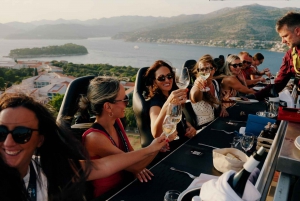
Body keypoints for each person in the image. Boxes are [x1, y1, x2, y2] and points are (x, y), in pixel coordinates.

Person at [0, 93, 167, 200]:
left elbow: (102, 165)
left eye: (21, 134)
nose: (8, 142)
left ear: (40, 140)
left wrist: (152, 148)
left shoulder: (42, 167)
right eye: (1, 131)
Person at [78, 77, 158, 198]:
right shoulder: (95, 138)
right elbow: (134, 165)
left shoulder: (116, 122)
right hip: (110, 195)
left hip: (125, 185)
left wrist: (139, 165)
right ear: (108, 107)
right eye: (124, 100)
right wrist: (156, 147)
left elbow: (130, 154)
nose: (127, 104)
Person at [144, 60, 197, 148]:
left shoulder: (172, 95)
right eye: (161, 78)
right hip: (172, 149)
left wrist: (189, 127)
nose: (167, 80)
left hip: (184, 143)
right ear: (154, 81)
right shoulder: (155, 103)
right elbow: (156, 133)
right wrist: (168, 103)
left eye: (169, 76)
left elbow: (178, 118)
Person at [253, 12, 300, 100]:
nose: (283, 41)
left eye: (285, 36)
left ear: (297, 31)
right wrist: (255, 96)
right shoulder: (290, 55)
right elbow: (279, 83)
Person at [190, 54, 228, 129]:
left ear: (214, 69)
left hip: (217, 124)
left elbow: (219, 100)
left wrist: (223, 108)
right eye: (202, 69)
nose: (205, 72)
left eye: (208, 69)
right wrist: (199, 88)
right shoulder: (196, 86)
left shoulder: (215, 83)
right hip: (203, 129)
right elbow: (195, 97)